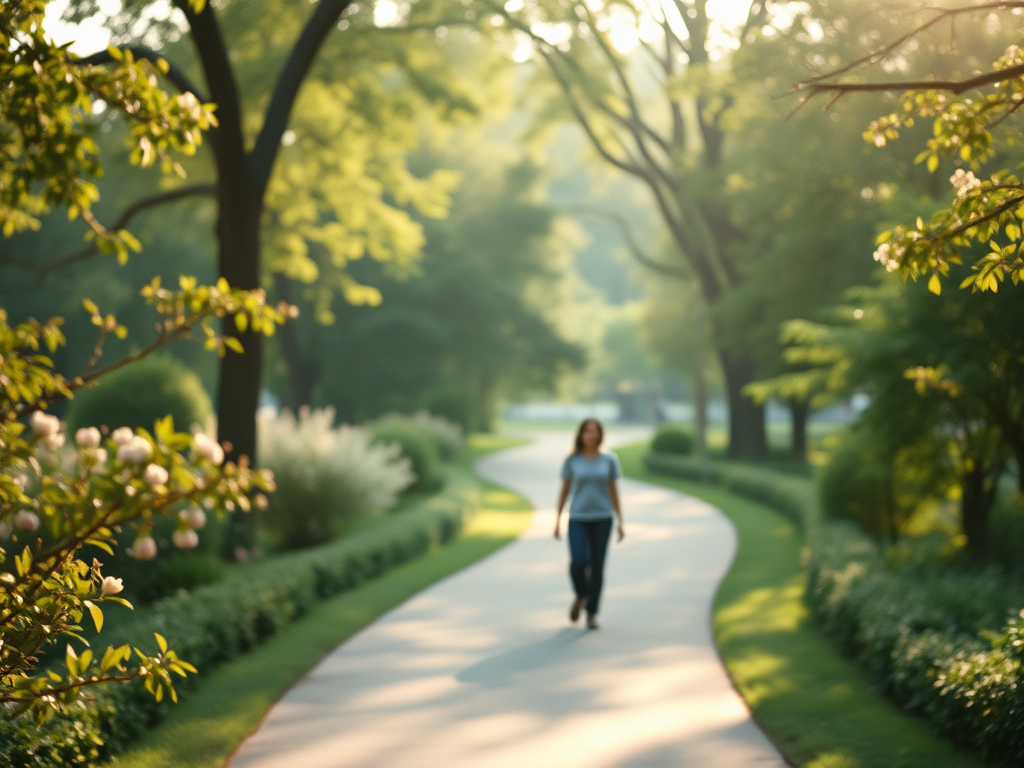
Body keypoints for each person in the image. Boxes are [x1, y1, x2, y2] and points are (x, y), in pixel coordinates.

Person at [554, 418, 625, 630]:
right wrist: (557, 519)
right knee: (578, 562)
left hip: (602, 518)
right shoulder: (572, 460)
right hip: (577, 518)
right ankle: (581, 594)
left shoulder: (609, 460)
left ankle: (591, 613)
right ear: (581, 435)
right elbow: (565, 490)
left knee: (597, 568)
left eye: (594, 431)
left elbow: (613, 491)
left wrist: (620, 520)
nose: (590, 435)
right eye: (587, 431)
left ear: (600, 435)